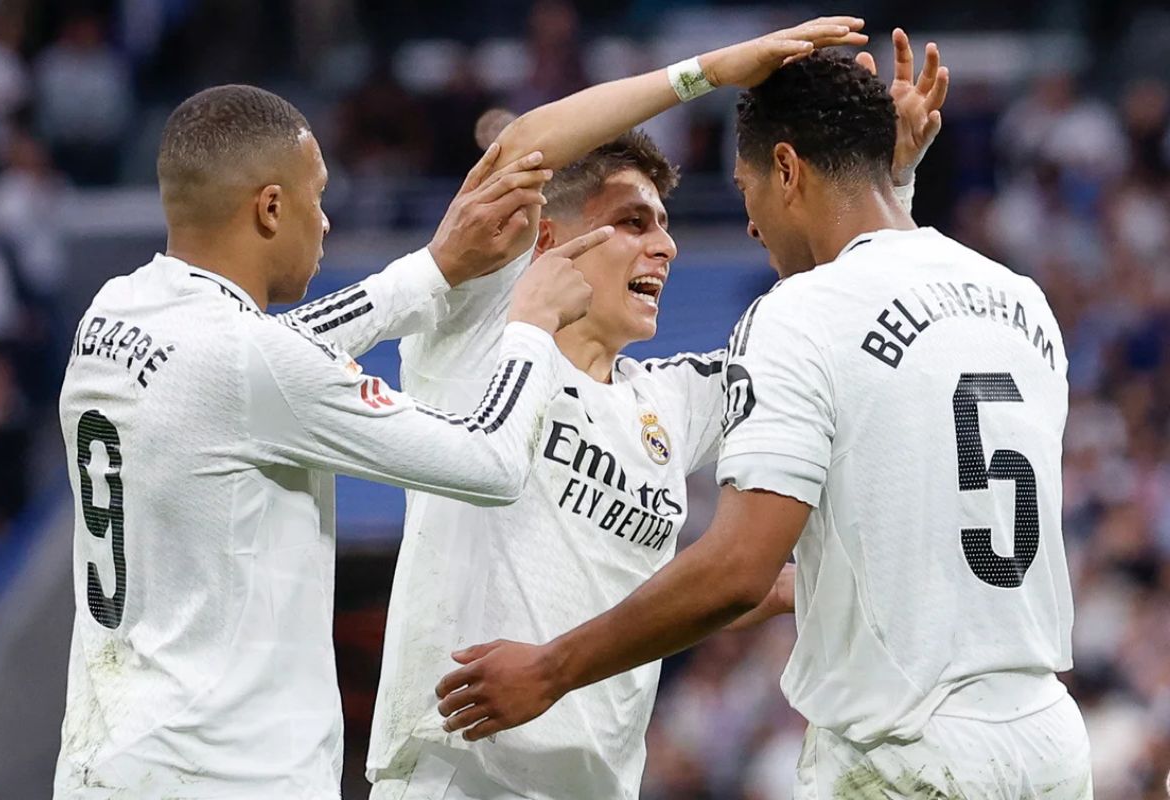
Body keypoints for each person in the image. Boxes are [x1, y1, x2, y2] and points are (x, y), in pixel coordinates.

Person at [436, 51, 1094, 799]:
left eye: (747, 190)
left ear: (786, 169)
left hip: (909, 752)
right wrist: (891, 178)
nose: (750, 224)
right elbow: (889, 364)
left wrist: (551, 668)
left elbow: (737, 569)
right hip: (1048, 736)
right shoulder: (1021, 300)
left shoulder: (798, 315)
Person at [369, 23, 947, 800]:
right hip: (461, 778)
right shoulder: (477, 339)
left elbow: (838, 321)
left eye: (666, 225)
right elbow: (521, 150)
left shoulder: (674, 397)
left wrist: (882, 182)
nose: (665, 246)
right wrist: (706, 73)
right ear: (544, 238)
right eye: (635, 221)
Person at [53, 83, 609, 799]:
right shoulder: (253, 362)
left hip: (103, 762)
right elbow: (491, 462)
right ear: (271, 207)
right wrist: (531, 326)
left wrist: (435, 269)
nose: (325, 221)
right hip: (228, 774)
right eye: (317, 198)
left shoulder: (115, 311)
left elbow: (265, 356)